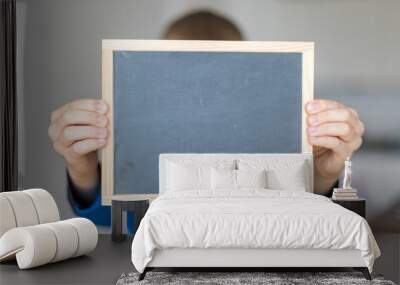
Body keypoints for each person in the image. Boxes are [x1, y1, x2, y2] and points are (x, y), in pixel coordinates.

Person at [48, 11, 365, 226]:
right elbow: (111, 220)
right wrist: (84, 170)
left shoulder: (268, 131)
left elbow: (300, 215)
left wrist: (322, 177)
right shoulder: (142, 140)